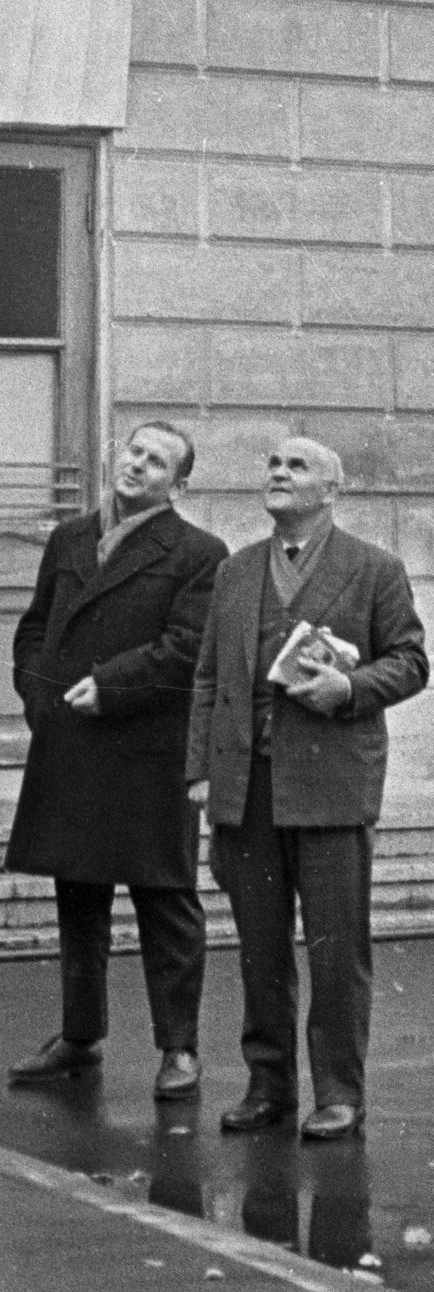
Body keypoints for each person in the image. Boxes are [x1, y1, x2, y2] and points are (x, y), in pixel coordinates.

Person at [187, 434, 427, 1140]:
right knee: (259, 948)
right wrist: (201, 770)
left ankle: (338, 1093)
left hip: (329, 786)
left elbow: (411, 662)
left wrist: (347, 687)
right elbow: (206, 678)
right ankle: (268, 1086)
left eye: (297, 467)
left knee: (334, 949)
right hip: (246, 788)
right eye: (273, 465)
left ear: (332, 490)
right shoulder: (235, 573)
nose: (278, 474)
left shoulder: (373, 568)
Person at [5, 422, 227, 1099]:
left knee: (165, 900)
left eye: (156, 462)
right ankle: (78, 1037)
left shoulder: (198, 552)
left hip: (146, 750)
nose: (137, 467)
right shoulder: (70, 538)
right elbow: (36, 626)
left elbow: (189, 647)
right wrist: (38, 696)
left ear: (177, 485)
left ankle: (178, 1048)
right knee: (76, 894)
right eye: (133, 452)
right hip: (69, 740)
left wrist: (111, 686)